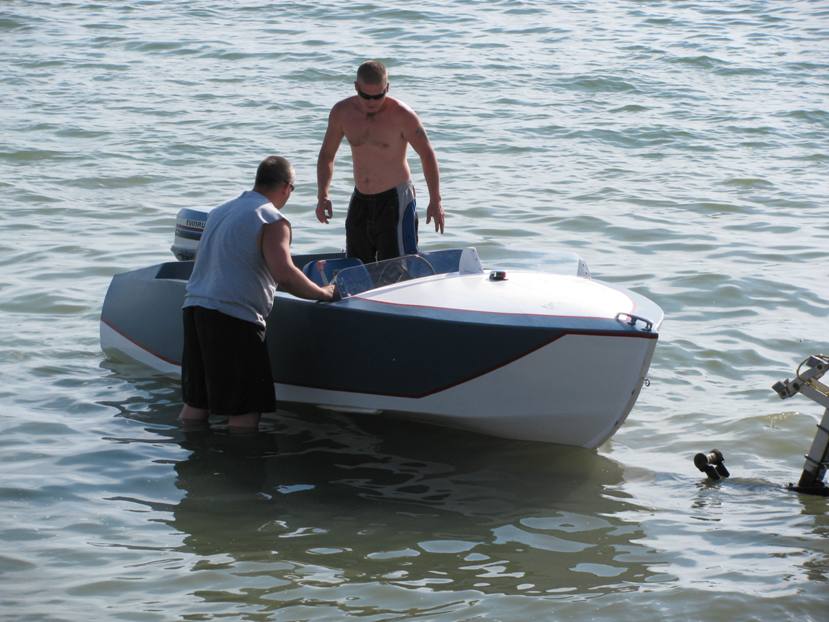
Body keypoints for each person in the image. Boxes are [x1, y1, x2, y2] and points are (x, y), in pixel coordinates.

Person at [179, 155, 336, 430]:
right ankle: (241, 469)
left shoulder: (220, 211)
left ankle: (193, 463)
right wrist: (323, 293)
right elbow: (284, 274)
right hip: (234, 318)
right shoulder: (272, 219)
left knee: (196, 404)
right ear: (287, 187)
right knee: (245, 409)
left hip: (194, 310)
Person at [316, 60, 444, 264]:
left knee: (398, 266)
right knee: (357, 265)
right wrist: (323, 194)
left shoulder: (403, 115)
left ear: (387, 88)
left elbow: (427, 155)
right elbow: (327, 155)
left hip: (395, 200)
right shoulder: (342, 112)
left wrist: (435, 200)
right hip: (360, 199)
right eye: (365, 96)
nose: (372, 101)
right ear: (356, 87)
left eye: (378, 95)